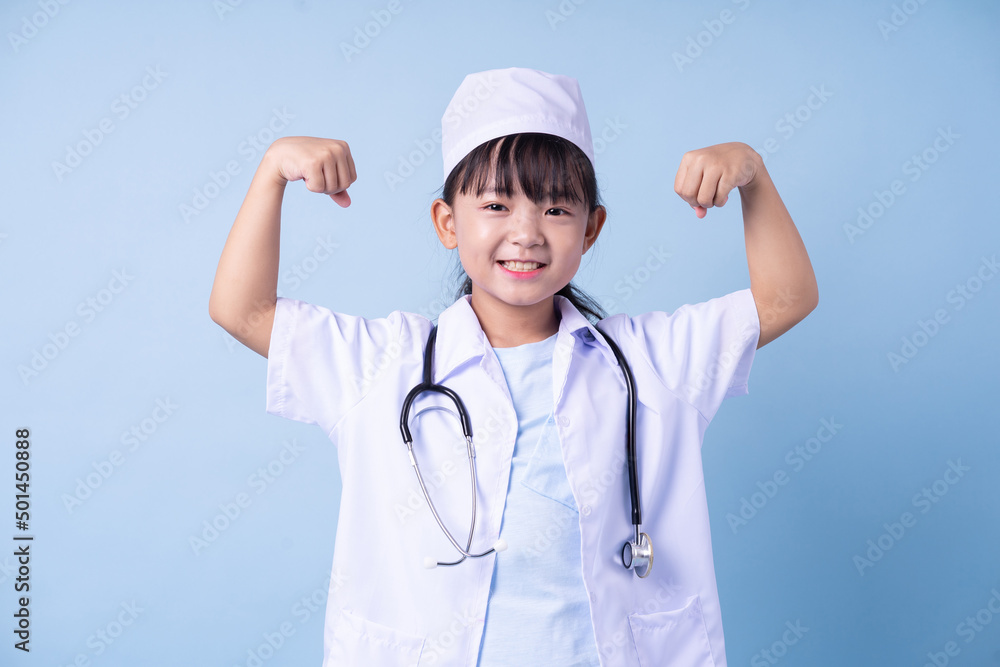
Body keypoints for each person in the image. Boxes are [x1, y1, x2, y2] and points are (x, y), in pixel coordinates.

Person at [209, 67, 818, 667]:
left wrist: (753, 176)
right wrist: (273, 172)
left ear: (591, 229)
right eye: (496, 204)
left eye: (556, 210)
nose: (526, 233)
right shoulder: (382, 363)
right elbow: (241, 309)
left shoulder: (649, 361)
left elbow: (787, 298)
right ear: (448, 224)